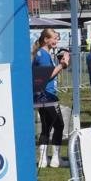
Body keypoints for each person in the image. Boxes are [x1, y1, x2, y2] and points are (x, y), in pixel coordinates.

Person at [31, 28, 69, 167]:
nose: (56, 40)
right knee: (59, 125)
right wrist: (62, 65)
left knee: (46, 126)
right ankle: (55, 159)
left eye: (57, 38)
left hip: (42, 95)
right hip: (46, 95)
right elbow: (48, 75)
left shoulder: (42, 53)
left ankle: (43, 159)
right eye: (54, 38)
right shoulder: (43, 55)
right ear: (46, 39)